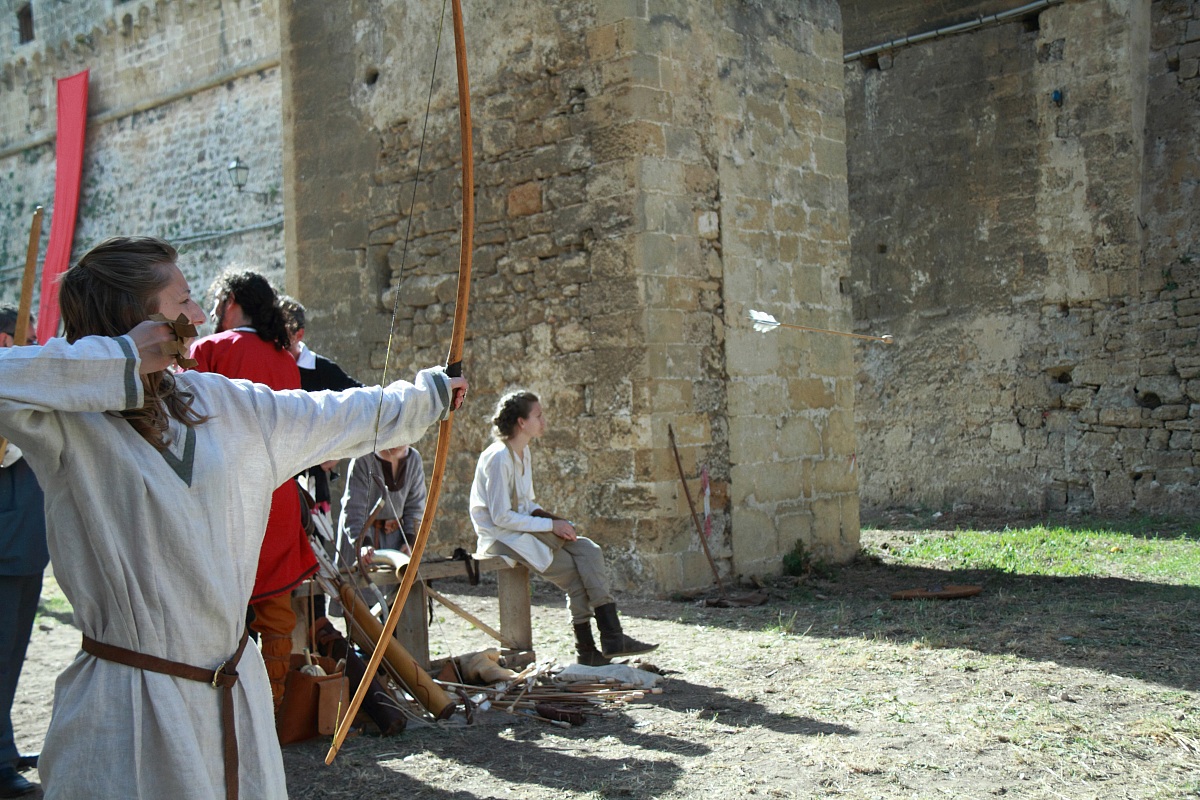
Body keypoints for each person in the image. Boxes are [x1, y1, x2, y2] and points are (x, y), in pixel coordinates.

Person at [0, 236, 465, 799]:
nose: (199, 316)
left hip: (230, 693)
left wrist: (428, 395)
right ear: (136, 321)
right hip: (127, 706)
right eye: (182, 303)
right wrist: (119, 360)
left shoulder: (220, 401)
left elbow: (336, 413)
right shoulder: (64, 421)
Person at [190, 270, 315, 718]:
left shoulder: (208, 350)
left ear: (230, 303)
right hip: (276, 491)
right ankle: (272, 708)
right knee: (276, 613)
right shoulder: (284, 358)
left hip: (221, 496)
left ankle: (223, 709)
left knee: (221, 609)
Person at [470, 390, 656, 667]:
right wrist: (549, 525)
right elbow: (500, 517)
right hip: (500, 536)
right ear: (521, 422)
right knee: (574, 575)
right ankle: (588, 650)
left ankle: (613, 636)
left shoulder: (524, 452)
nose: (544, 421)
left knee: (588, 550)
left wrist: (557, 521)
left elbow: (527, 503)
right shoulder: (498, 457)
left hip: (522, 526)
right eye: (539, 416)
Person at [0, 306, 46, 799]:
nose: (35, 346)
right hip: (5, 542)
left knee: (12, 653)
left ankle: (4, 744)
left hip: (24, 542)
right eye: (26, 338)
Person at [339, 445, 426, 565]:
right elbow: (354, 509)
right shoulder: (363, 459)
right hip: (361, 538)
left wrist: (410, 541)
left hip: (395, 541)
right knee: (357, 581)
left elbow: (415, 507)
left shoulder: (414, 459)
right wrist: (363, 544)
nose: (396, 443)